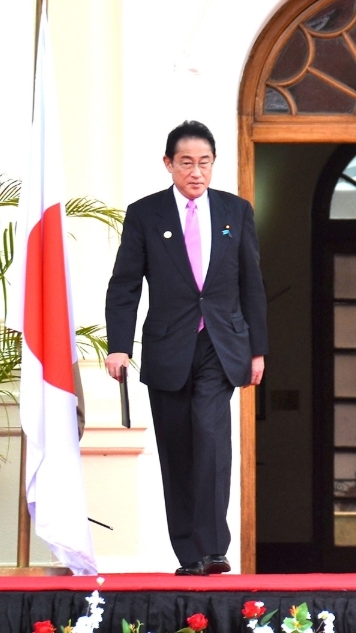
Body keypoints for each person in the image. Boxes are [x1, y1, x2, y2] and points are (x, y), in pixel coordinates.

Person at [104, 120, 268, 576]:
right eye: (187, 163)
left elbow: (251, 284)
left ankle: (214, 548)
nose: (196, 172)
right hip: (168, 348)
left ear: (213, 164)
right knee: (177, 450)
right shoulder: (145, 214)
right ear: (168, 164)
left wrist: (258, 349)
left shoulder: (237, 211)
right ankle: (189, 554)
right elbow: (124, 285)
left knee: (211, 437)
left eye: (205, 162)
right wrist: (118, 346)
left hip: (221, 345)